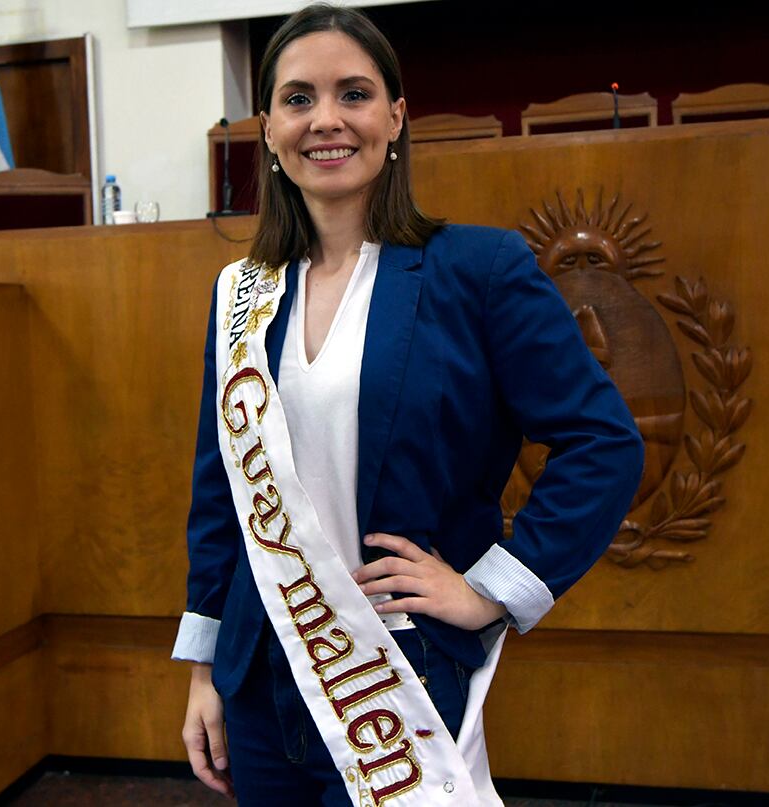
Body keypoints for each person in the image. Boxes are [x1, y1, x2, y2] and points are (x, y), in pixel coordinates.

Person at [172, 4, 644, 805]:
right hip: (260, 675)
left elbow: (604, 442)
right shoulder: (240, 295)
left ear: (395, 117)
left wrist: (494, 588)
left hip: (403, 669)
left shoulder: (479, 269)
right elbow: (222, 492)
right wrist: (204, 668)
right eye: (298, 98)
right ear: (269, 129)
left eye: (353, 94)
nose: (326, 119)